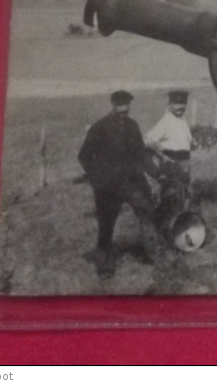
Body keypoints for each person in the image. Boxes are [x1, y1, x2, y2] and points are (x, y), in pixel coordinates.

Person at [77, 90, 159, 278]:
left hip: (133, 183)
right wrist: (98, 180)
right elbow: (84, 157)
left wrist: (156, 174)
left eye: (126, 104)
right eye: (119, 105)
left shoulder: (133, 126)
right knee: (106, 224)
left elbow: (142, 154)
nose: (123, 109)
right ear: (113, 105)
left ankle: (154, 254)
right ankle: (105, 265)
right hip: (108, 186)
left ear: (129, 105)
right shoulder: (100, 127)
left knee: (147, 212)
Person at [145, 90, 195, 224]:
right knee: (172, 197)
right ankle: (168, 230)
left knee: (184, 196)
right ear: (170, 104)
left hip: (184, 162)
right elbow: (148, 141)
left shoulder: (181, 119)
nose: (180, 106)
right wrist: (162, 156)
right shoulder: (167, 120)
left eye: (183, 103)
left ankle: (180, 228)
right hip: (172, 164)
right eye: (176, 103)